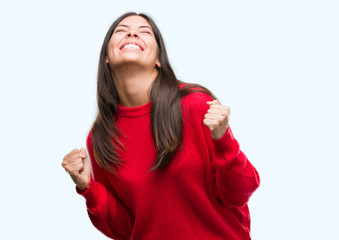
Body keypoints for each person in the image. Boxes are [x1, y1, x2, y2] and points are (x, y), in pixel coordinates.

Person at [61, 12, 260, 240]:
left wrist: (223, 139)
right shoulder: (101, 137)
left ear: (158, 59)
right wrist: (88, 187)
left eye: (144, 32)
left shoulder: (196, 105)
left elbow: (241, 192)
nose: (132, 32)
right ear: (107, 56)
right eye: (121, 30)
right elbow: (129, 228)